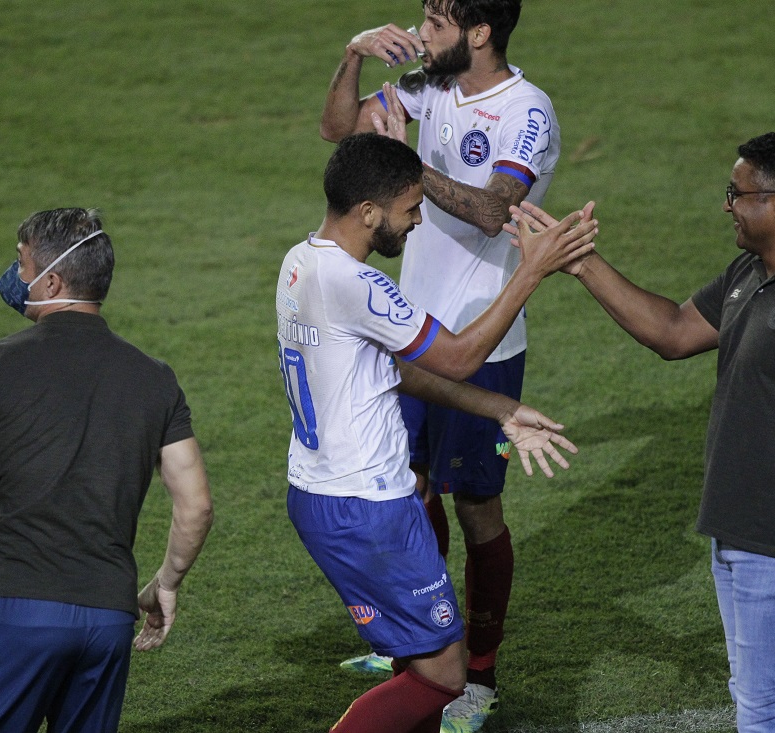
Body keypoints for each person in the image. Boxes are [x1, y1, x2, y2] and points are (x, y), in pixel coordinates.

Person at [512, 132, 775, 733]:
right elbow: (674, 332)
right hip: (735, 533)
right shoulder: (751, 271)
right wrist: (579, 260)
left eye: (738, 193)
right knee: (758, 705)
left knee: (771, 718)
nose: (727, 204)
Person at [279, 133, 594, 733]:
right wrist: (531, 271)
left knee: (417, 658)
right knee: (445, 674)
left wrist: (500, 409)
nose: (418, 221)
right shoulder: (359, 285)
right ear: (369, 213)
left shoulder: (301, 261)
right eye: (410, 208)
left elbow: (397, 372)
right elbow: (456, 356)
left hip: (322, 494)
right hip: (368, 507)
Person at [320, 4, 558, 726]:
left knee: (476, 504)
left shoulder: (527, 111)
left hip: (481, 344)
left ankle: (478, 675)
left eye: (435, 20)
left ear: (479, 32)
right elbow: (338, 129)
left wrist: (408, 165)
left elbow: (493, 211)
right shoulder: (428, 86)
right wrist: (353, 55)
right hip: (410, 335)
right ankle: (420, 651)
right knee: (407, 486)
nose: (420, 33)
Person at [0, 208, 214, 732]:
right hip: (108, 618)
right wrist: (167, 582)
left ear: (52, 280)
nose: (14, 276)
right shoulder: (154, 378)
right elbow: (196, 505)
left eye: (22, 265)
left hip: (17, 613)